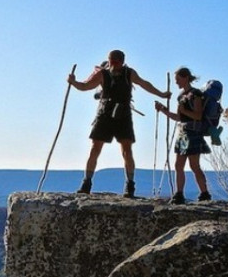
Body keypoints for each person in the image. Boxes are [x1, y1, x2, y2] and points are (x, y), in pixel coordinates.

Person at [68, 49, 171, 198]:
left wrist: (161, 94)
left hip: (123, 115)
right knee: (95, 149)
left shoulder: (128, 73)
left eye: (116, 61)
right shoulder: (102, 74)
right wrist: (73, 82)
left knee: (126, 150)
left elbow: (143, 84)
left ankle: (130, 185)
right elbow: (85, 86)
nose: (113, 64)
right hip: (105, 114)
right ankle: (86, 183)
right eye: (111, 60)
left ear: (122, 61)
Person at [154, 66, 212, 204]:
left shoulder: (196, 94)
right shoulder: (180, 96)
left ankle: (204, 193)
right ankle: (179, 194)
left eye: (178, 79)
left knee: (194, 166)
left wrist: (184, 111)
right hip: (184, 133)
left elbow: (198, 115)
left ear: (185, 78)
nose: (176, 82)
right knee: (178, 165)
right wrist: (163, 110)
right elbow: (179, 117)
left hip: (193, 133)